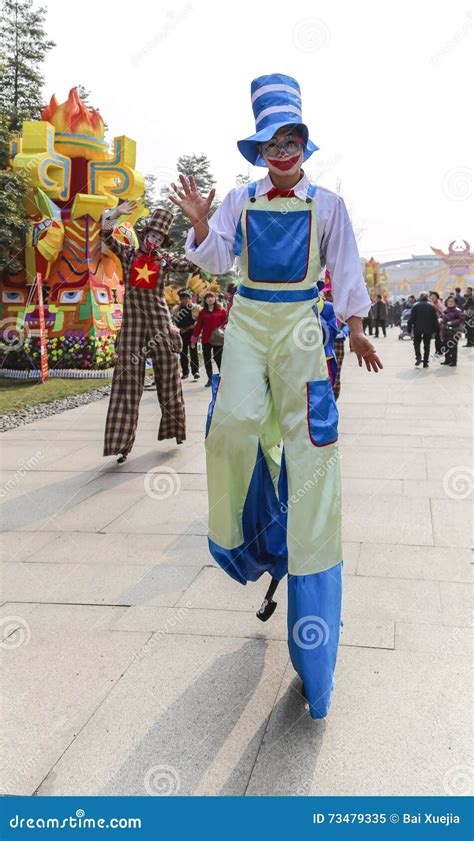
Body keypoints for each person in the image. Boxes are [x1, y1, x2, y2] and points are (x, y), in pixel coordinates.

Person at [171, 73, 382, 720]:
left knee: (314, 464)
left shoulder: (330, 205)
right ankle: (253, 537)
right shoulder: (237, 200)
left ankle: (314, 646)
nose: (281, 151)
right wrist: (204, 225)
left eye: (290, 139)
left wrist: (356, 328)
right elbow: (214, 262)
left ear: (304, 144)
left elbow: (344, 268)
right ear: (259, 152)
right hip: (247, 321)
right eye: (270, 142)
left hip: (297, 328)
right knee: (231, 426)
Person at [100, 202, 195, 463]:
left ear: (163, 241)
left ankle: (175, 429)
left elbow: (191, 265)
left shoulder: (165, 260)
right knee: (126, 380)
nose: (155, 239)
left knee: (169, 373)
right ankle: (121, 444)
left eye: (160, 237)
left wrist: (199, 240)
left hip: (159, 321)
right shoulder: (129, 254)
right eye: (152, 234)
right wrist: (116, 214)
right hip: (132, 323)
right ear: (145, 235)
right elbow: (106, 235)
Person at [190, 290, 228, 386]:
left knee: (218, 358)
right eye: (207, 298)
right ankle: (210, 379)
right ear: (205, 300)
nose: (209, 299)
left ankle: (222, 377)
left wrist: (224, 327)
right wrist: (193, 339)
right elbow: (198, 326)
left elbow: (227, 321)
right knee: (207, 359)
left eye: (211, 297)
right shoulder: (202, 312)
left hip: (218, 339)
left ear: (215, 298)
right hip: (206, 339)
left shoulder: (221, 311)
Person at [173, 289, 200, 380]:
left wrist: (191, 327)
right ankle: (185, 372)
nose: (184, 300)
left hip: (192, 333)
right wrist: (178, 329)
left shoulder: (195, 307)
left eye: (186, 298)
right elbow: (173, 321)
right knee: (183, 353)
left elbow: (199, 320)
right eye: (182, 299)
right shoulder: (176, 309)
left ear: (189, 299)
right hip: (181, 333)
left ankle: (195, 371)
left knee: (193, 352)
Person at [407, 291, 438, 368]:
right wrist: (435, 330)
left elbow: (411, 319)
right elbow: (435, 319)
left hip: (417, 328)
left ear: (420, 297)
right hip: (428, 329)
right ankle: (425, 362)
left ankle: (418, 357)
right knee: (427, 345)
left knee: (416, 344)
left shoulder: (415, 306)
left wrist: (409, 329)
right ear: (427, 297)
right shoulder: (432, 306)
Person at [441, 295, 464, 367]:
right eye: (448, 301)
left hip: (454, 331)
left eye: (452, 301)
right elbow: (442, 318)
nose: (450, 303)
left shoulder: (457, 311)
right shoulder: (445, 311)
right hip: (445, 331)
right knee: (445, 345)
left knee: (453, 346)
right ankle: (447, 360)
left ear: (455, 303)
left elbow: (461, 319)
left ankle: (454, 361)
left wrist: (452, 322)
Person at [429, 290, 444, 355]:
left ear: (437, 297)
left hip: (439, 323)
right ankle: (438, 351)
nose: (432, 297)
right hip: (435, 322)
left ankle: (439, 351)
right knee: (437, 337)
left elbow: (444, 312)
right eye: (431, 296)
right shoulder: (432, 303)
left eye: (434, 296)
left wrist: (439, 317)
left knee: (438, 337)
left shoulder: (438, 304)